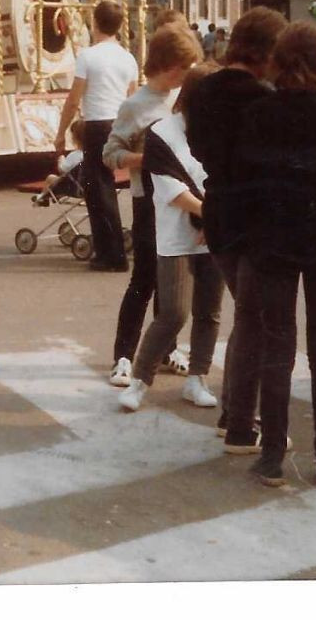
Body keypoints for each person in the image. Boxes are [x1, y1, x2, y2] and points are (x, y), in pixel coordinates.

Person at [233, 22, 316, 486]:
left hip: (273, 238)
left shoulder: (257, 113)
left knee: (278, 346)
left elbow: (245, 178)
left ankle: (272, 456)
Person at [183, 6, 286, 447]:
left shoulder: (202, 91)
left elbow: (196, 146)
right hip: (257, 216)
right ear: (268, 51)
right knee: (254, 321)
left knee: (247, 316)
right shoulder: (263, 100)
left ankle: (237, 413)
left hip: (218, 209)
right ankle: (240, 421)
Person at [118, 61, 224, 412]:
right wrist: (211, 214)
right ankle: (139, 380)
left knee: (209, 312)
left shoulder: (222, 132)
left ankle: (197, 379)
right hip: (176, 236)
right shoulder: (162, 132)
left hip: (214, 234)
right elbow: (171, 191)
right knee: (174, 313)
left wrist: (217, 220)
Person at [102, 24, 202, 385]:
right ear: (170, 66)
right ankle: (124, 356)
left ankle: (166, 349)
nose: (187, 75)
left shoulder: (181, 101)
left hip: (179, 200)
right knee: (144, 278)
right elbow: (110, 153)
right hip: (148, 201)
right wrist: (145, 159)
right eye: (185, 67)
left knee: (172, 280)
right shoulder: (135, 105)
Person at [54, 0, 138, 272]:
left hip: (97, 123)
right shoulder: (128, 58)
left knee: (97, 189)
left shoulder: (88, 56)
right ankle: (113, 249)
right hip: (120, 123)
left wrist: (61, 131)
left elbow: (74, 98)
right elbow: (132, 98)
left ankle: (110, 253)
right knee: (106, 187)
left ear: (95, 23)